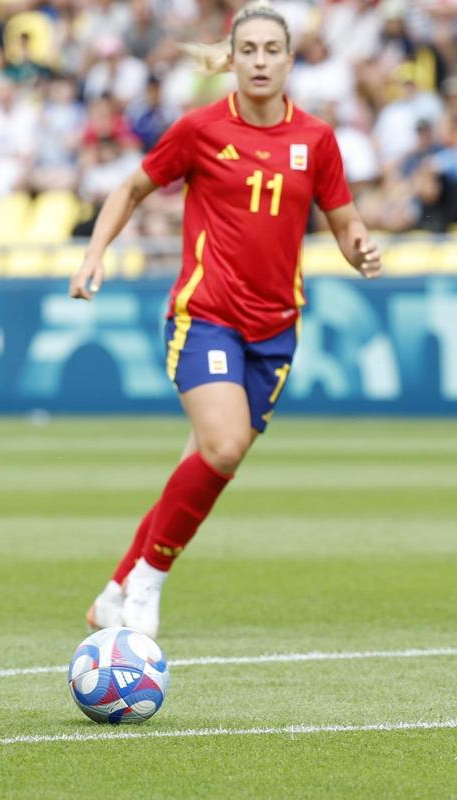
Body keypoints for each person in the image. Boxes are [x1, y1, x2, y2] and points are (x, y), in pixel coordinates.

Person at [71, 2, 382, 640]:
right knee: (225, 444)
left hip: (276, 329)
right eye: (250, 50)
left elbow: (344, 222)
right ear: (232, 59)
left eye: (273, 50)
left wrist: (361, 249)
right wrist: (95, 253)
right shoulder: (201, 129)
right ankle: (148, 583)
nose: (261, 61)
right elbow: (130, 188)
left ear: (291, 61)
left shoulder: (316, 140)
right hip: (205, 316)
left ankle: (112, 592)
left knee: (206, 464)